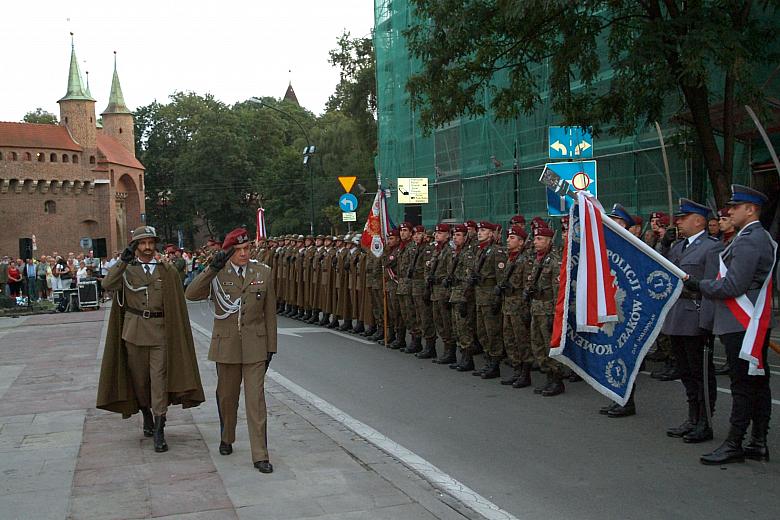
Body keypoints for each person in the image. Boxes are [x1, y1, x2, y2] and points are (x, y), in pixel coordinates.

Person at [686, 185, 775, 465]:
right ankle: (757, 441)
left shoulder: (749, 240)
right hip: (749, 321)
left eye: (735, 207)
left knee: (743, 385)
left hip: (742, 322)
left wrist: (700, 285)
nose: (730, 211)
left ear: (751, 210)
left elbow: (733, 285)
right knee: (757, 383)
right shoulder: (755, 237)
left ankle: (735, 442)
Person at [97, 226, 205, 453]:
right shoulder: (127, 269)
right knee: (139, 381)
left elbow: (176, 295)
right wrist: (122, 261)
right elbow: (107, 285)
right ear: (135, 246)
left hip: (160, 332)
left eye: (150, 242)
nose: (147, 247)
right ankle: (145, 411)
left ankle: (159, 427)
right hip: (134, 332)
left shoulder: (165, 269)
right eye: (142, 243)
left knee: (159, 380)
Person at [185, 228, 278, 474]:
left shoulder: (263, 272)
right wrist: (212, 268)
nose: (244, 254)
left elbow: (270, 313)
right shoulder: (218, 273)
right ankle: (227, 436)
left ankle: (260, 455)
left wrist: (271, 348)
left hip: (255, 346)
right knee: (227, 397)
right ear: (228, 252)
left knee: (256, 401)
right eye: (238, 250)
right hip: (226, 346)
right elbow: (191, 293)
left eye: (247, 249)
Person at [661, 199, 722, 444]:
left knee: (701, 373)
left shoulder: (712, 247)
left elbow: (712, 285)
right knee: (685, 372)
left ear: (699, 221)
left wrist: (708, 322)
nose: (678, 222)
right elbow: (663, 269)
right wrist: (665, 245)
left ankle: (705, 421)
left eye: (683, 218)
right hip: (677, 314)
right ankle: (692, 417)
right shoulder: (678, 246)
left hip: (696, 314)